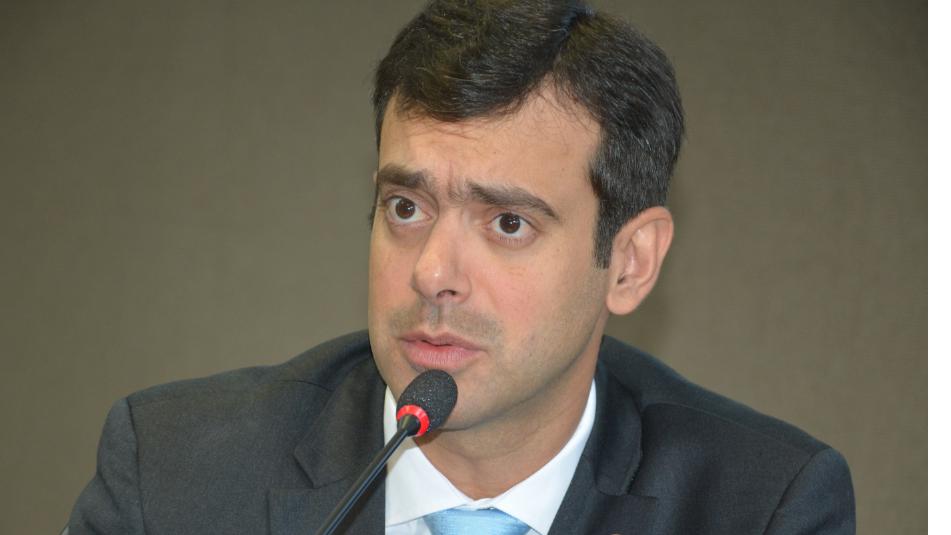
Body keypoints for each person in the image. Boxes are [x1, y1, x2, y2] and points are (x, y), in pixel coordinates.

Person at [67, 1, 855, 534]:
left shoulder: (762, 506)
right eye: (406, 207)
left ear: (628, 262)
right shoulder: (173, 477)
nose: (432, 272)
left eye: (507, 222)